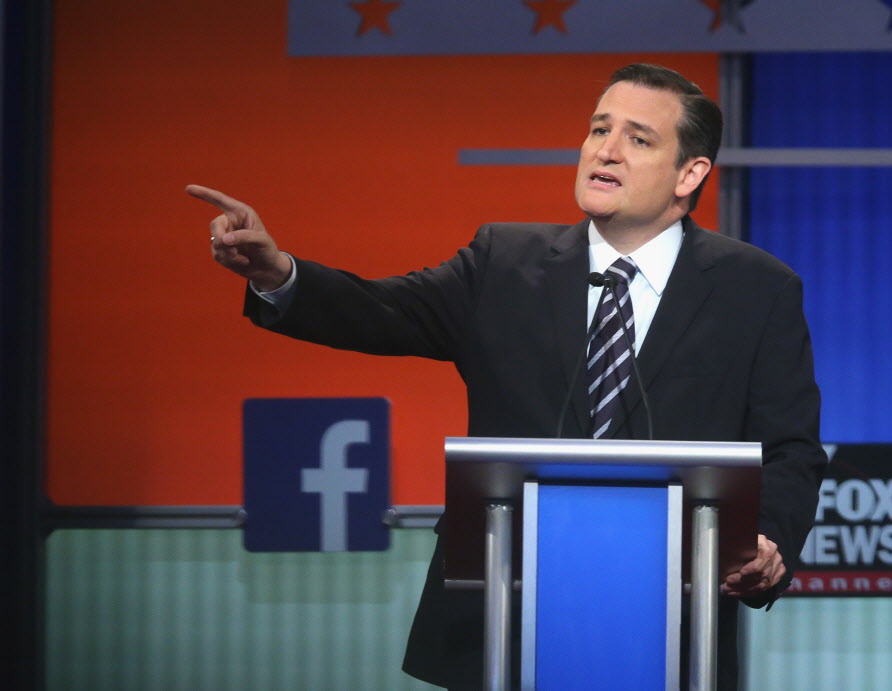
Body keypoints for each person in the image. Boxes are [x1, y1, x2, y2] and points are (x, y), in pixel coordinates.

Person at [188, 63, 826, 690]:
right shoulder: (503, 263)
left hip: (666, 623)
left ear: (691, 173)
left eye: (638, 138)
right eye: (598, 129)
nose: (605, 151)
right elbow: (381, 311)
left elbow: (790, 448)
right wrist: (278, 274)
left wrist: (767, 538)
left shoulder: (756, 290)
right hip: (499, 609)